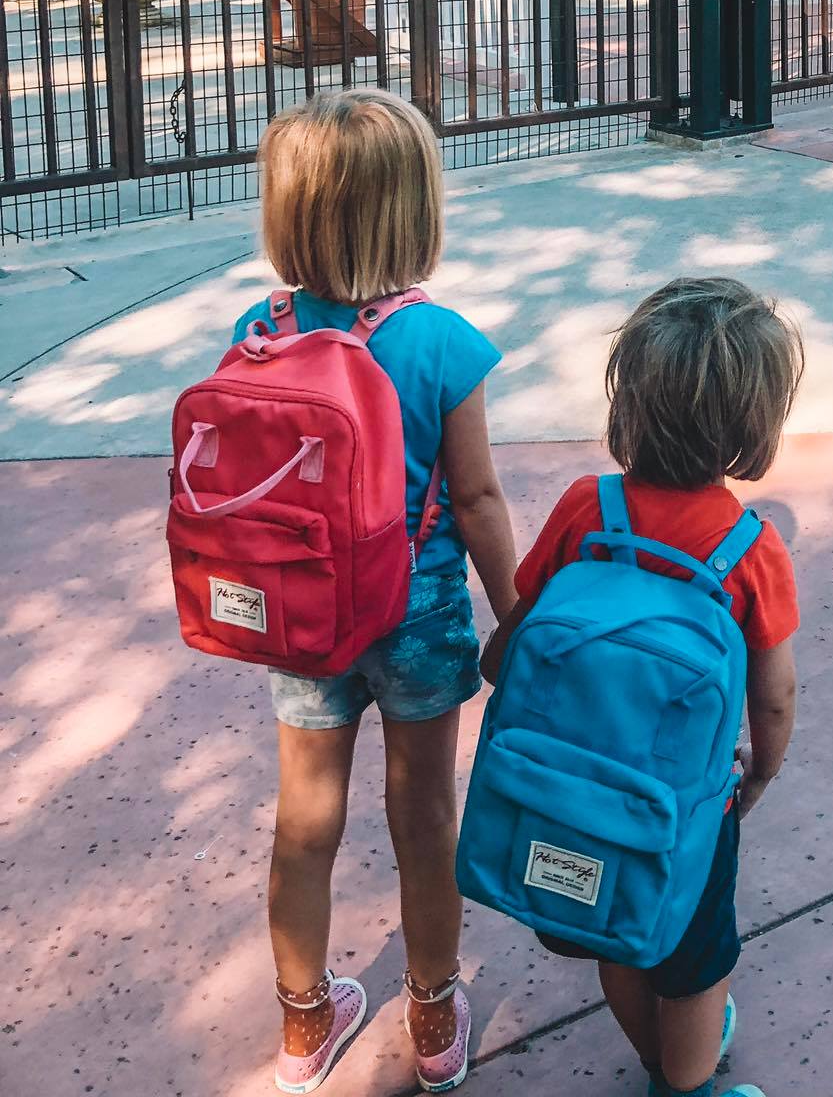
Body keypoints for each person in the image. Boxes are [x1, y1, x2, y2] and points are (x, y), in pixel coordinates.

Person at [234, 89, 518, 1096]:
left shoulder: (258, 327)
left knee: (304, 817)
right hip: (418, 611)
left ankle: (304, 1026)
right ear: (415, 210)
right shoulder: (441, 340)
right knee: (424, 814)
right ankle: (433, 1014)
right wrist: (516, 614)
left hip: (301, 614)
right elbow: (478, 498)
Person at [481, 277, 802, 1097]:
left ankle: (657, 1062)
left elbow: (522, 623)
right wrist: (761, 770)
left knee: (615, 935)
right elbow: (774, 693)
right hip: (685, 800)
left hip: (567, 786)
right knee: (694, 960)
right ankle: (688, 1085)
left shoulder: (588, 506)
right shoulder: (750, 549)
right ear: (755, 424)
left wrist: (495, 664)